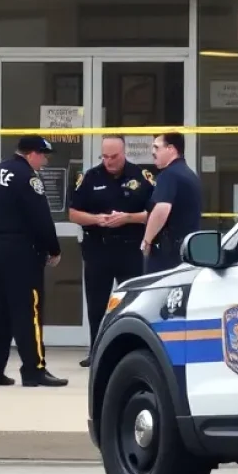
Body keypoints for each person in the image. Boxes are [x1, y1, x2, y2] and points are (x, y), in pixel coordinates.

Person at [0, 135, 68, 388]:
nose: (45, 162)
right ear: (32, 154)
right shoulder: (28, 177)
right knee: (29, 311)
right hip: (19, 252)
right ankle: (34, 370)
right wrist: (54, 248)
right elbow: (41, 217)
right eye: (44, 156)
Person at [69, 134, 154, 367]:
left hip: (130, 250)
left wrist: (128, 218)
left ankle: (132, 351)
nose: (109, 161)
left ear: (124, 152)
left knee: (133, 302)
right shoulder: (90, 177)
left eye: (114, 156)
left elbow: (154, 214)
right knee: (97, 304)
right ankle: (96, 352)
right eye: (105, 156)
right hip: (99, 250)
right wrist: (96, 219)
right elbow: (74, 213)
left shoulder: (142, 177)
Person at [141, 131, 203, 275]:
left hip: (168, 253)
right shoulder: (189, 174)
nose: (152, 152)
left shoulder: (169, 175)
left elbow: (161, 209)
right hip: (186, 250)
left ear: (171, 149)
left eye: (157, 148)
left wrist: (147, 240)